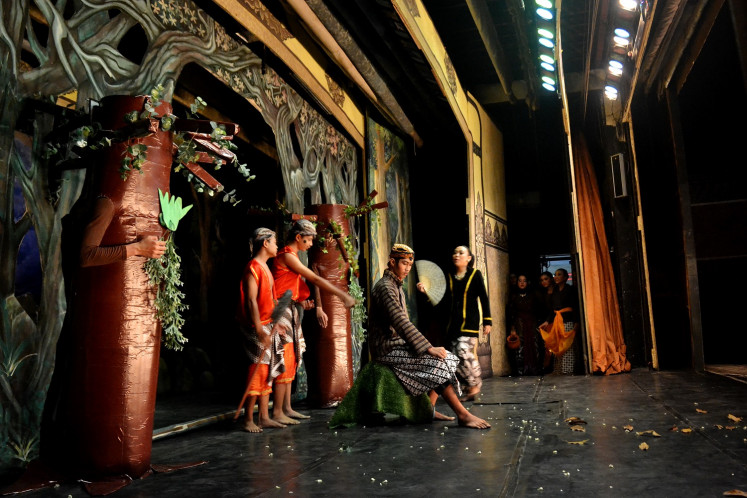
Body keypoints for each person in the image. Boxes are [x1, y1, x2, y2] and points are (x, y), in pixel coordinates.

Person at [373, 244, 490, 429]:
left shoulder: (395, 285)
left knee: (448, 358)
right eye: (404, 264)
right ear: (392, 262)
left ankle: (428, 409)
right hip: (387, 348)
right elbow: (401, 322)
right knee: (437, 362)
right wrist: (428, 347)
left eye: (410, 265)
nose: (407, 269)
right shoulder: (386, 287)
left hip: (399, 344)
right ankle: (463, 414)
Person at [271, 219, 356, 424]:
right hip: (280, 310)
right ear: (298, 238)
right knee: (285, 359)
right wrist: (342, 295)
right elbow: (315, 279)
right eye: (308, 240)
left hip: (289, 309)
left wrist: (304, 303)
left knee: (292, 359)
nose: (310, 245)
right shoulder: (287, 255)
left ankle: (287, 408)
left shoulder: (293, 256)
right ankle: (277, 412)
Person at [418, 245, 491, 401]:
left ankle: (475, 382)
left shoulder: (475, 275)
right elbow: (443, 300)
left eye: (461, 253)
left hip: (470, 322)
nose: (456, 255)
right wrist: (426, 292)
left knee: (463, 350)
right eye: (455, 252)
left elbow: (484, 299)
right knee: (454, 357)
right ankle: (468, 388)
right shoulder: (449, 276)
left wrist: (487, 321)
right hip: (452, 324)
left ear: (468, 258)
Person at [236, 228, 290, 432]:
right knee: (257, 370)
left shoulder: (266, 267)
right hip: (255, 325)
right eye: (275, 242)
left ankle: (264, 416)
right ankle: (249, 418)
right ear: (265, 244)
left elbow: (273, 300)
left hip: (267, 323)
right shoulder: (254, 267)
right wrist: (259, 329)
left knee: (266, 369)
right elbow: (251, 300)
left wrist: (276, 323)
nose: (277, 246)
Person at [539, 268, 579, 375]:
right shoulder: (555, 291)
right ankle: (559, 369)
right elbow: (552, 309)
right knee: (558, 346)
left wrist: (576, 322)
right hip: (557, 321)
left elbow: (575, 306)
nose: (556, 277)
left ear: (565, 277)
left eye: (559, 274)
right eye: (555, 275)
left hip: (568, 320)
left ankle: (568, 370)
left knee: (567, 346)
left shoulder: (570, 290)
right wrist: (547, 322)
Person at [506, 275, 544, 376]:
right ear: (517, 282)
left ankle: (535, 369)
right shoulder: (514, 296)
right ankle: (521, 370)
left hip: (532, 323)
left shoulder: (534, 295)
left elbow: (540, 309)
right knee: (520, 347)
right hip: (519, 324)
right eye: (520, 281)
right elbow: (511, 313)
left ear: (528, 282)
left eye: (524, 281)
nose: (522, 283)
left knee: (535, 345)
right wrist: (512, 328)